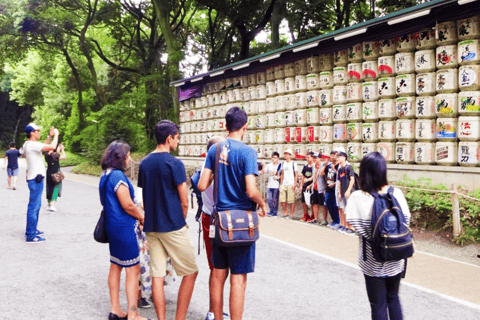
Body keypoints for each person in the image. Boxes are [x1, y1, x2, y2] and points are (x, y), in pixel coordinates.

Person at [198, 106, 267, 320]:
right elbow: (250, 189)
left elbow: (201, 185)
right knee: (238, 278)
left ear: (225, 125)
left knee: (218, 275)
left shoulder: (214, 150)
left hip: (220, 221)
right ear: (245, 126)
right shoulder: (247, 152)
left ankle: (217, 317)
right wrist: (263, 204)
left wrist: (217, 176)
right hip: (241, 224)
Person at [138, 120, 198, 320]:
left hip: (152, 227)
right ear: (169, 138)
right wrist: (180, 222)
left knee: (157, 275)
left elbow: (144, 197)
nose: (178, 142)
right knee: (191, 272)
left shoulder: (145, 162)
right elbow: (184, 201)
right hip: (172, 226)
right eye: (177, 138)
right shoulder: (174, 163)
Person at [346, 152, 411, 320]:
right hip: (397, 257)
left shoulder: (358, 197)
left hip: (373, 261)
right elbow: (406, 221)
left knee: (378, 303)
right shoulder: (396, 193)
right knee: (393, 297)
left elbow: (353, 224)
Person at [99, 140, 148, 320]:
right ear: (120, 157)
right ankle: (133, 314)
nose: (130, 158)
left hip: (112, 227)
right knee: (133, 269)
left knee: (116, 265)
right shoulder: (118, 176)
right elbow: (127, 204)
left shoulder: (106, 174)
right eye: (128, 155)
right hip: (124, 227)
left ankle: (115, 309)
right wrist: (142, 216)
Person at [199, 135, 231, 320]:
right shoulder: (211, 169)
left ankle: (216, 310)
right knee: (217, 268)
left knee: (219, 268)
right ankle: (213, 311)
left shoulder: (208, 167)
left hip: (211, 218)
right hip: (214, 219)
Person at [23, 123, 59, 243]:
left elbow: (44, 145)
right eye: (37, 130)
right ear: (32, 133)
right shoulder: (32, 145)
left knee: (36, 206)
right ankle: (31, 235)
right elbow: (52, 147)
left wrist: (49, 136)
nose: (39, 132)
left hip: (34, 178)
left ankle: (32, 229)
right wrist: (56, 135)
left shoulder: (28, 144)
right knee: (34, 207)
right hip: (36, 179)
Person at [320, 151, 341, 231]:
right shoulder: (328, 166)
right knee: (328, 203)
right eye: (331, 155)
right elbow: (322, 174)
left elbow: (341, 178)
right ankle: (334, 220)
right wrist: (325, 165)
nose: (331, 157)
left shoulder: (339, 166)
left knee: (336, 205)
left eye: (333, 155)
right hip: (328, 188)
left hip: (335, 188)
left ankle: (338, 221)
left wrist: (335, 184)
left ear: (337, 156)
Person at [336, 151, 356, 234]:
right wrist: (339, 193)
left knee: (350, 210)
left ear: (344, 158)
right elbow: (339, 182)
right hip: (343, 192)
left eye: (339, 156)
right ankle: (346, 226)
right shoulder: (340, 169)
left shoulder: (349, 167)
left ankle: (352, 227)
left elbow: (352, 179)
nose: (338, 158)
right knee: (344, 210)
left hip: (349, 192)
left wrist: (348, 190)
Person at [44, 142, 66, 212]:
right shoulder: (55, 154)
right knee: (56, 188)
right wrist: (62, 150)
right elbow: (63, 157)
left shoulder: (46, 154)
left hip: (49, 172)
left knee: (49, 187)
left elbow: (54, 156)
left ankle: (48, 204)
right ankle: (52, 205)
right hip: (56, 172)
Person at [308, 152, 327, 225]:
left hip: (321, 187)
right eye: (314, 158)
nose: (315, 159)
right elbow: (314, 176)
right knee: (314, 203)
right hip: (315, 186)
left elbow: (322, 175)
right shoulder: (313, 166)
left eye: (316, 158)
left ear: (320, 158)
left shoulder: (323, 165)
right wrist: (312, 184)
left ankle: (324, 219)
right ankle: (315, 218)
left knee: (323, 204)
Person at [279, 149, 298, 219]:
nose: (285, 155)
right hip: (284, 183)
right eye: (284, 154)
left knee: (291, 200)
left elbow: (296, 174)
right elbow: (282, 174)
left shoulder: (293, 163)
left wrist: (295, 184)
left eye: (287, 154)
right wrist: (281, 183)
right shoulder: (283, 163)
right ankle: (285, 212)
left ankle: (291, 213)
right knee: (282, 199)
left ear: (290, 155)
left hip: (291, 183)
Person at [264, 151, 281, 217]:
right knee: (269, 198)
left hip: (276, 185)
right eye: (272, 157)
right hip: (270, 184)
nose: (273, 159)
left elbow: (282, 175)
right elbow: (264, 171)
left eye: (275, 158)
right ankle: (271, 210)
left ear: (278, 158)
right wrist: (263, 165)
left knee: (275, 199)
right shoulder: (269, 165)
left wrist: (278, 177)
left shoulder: (280, 166)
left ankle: (275, 212)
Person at [300, 152, 315, 222]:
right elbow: (303, 176)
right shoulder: (305, 166)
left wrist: (309, 181)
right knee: (303, 201)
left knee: (312, 202)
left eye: (308, 157)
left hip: (311, 186)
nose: (307, 159)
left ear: (312, 157)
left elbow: (315, 176)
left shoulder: (314, 166)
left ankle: (313, 216)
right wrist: (301, 185)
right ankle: (305, 215)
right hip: (305, 186)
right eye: (306, 157)